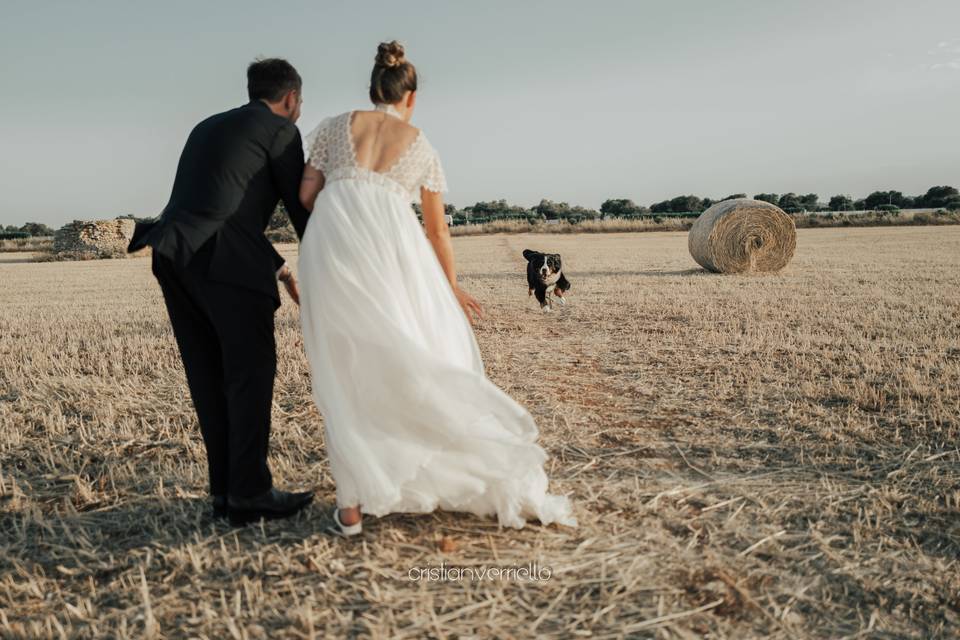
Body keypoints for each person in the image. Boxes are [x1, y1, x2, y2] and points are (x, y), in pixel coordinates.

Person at [297, 41, 577, 535]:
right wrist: (449, 287)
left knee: (341, 367)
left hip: (333, 243)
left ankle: (351, 507)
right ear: (411, 97)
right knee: (411, 347)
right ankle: (415, 461)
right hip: (392, 247)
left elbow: (305, 195)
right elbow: (437, 230)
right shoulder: (421, 144)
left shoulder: (332, 126)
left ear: (371, 89)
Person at [128, 58, 314, 526]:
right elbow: (301, 213)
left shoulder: (207, 126)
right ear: (291, 98)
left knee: (208, 377)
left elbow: (219, 208)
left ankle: (225, 493)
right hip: (223, 263)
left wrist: (281, 268)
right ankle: (250, 494)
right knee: (250, 374)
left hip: (171, 254)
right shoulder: (280, 131)